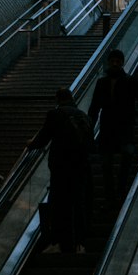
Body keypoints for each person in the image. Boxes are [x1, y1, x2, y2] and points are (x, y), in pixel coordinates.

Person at [88, 48, 138, 203]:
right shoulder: (101, 82)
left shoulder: (130, 81)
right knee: (106, 164)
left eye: (118, 61)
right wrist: (89, 125)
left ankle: (120, 191)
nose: (115, 63)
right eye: (113, 61)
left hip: (124, 127)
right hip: (107, 128)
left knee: (126, 156)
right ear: (109, 62)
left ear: (122, 63)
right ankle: (112, 196)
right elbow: (95, 106)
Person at [28, 85, 94, 253]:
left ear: (57, 100)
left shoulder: (54, 114)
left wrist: (31, 144)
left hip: (60, 167)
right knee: (79, 203)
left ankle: (57, 242)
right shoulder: (83, 115)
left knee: (57, 203)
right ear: (72, 99)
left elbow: (43, 138)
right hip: (80, 166)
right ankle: (81, 243)